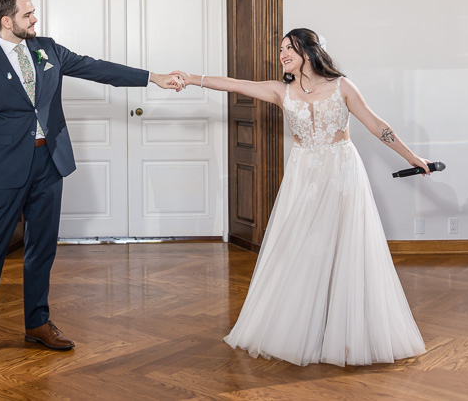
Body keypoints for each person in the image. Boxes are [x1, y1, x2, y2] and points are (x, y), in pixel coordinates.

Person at [0, 0, 185, 362]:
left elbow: (97, 67)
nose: (34, 20)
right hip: (3, 172)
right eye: (28, 15)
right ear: (7, 21)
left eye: (34, 14)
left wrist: (153, 77)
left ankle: (38, 323)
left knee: (42, 248)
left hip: (49, 164)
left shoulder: (47, 49)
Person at [174, 28, 428, 367]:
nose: (282, 54)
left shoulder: (342, 86)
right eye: (280, 49)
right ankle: (302, 326)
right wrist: (192, 78)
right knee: (302, 244)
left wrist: (411, 156)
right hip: (303, 173)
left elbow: (375, 123)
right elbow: (236, 84)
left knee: (344, 245)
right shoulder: (282, 91)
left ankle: (345, 332)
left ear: (308, 51)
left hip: (341, 171)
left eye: (289, 48)